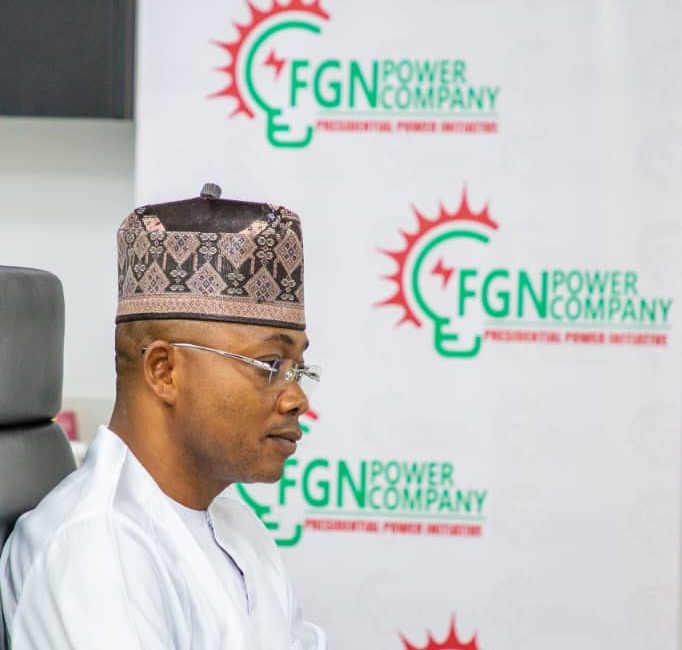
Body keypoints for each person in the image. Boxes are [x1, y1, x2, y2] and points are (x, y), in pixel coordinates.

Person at [0, 184, 326, 649]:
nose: (296, 399)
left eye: (298, 370)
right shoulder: (97, 549)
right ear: (163, 371)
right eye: (270, 365)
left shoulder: (236, 527)